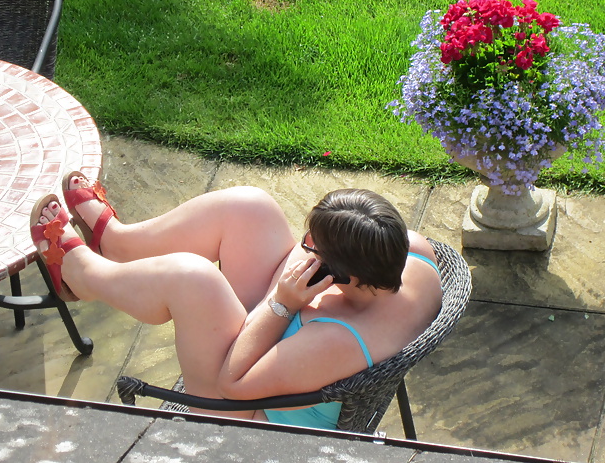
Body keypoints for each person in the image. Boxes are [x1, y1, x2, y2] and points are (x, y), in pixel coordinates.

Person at [30, 171, 443, 430]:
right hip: (275, 354)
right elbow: (308, 259)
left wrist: (281, 303)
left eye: (311, 248)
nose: (303, 250)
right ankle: (118, 243)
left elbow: (233, 384)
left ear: (340, 275)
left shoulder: (337, 342)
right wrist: (290, 286)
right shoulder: (409, 252)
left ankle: (83, 276)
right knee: (250, 207)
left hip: (244, 414)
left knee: (191, 278)